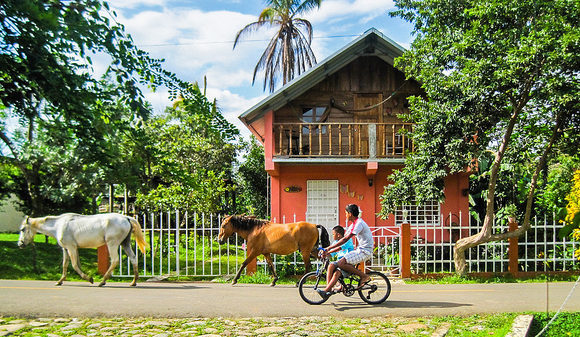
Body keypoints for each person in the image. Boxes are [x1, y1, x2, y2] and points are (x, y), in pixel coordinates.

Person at [318, 204, 373, 299]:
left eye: (346, 213)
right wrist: (329, 251)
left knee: (340, 263)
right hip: (361, 250)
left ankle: (364, 276)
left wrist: (328, 248)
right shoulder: (354, 224)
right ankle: (328, 290)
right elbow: (342, 241)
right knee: (337, 266)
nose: (345, 215)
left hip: (365, 251)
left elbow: (345, 240)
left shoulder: (359, 223)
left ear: (350, 214)